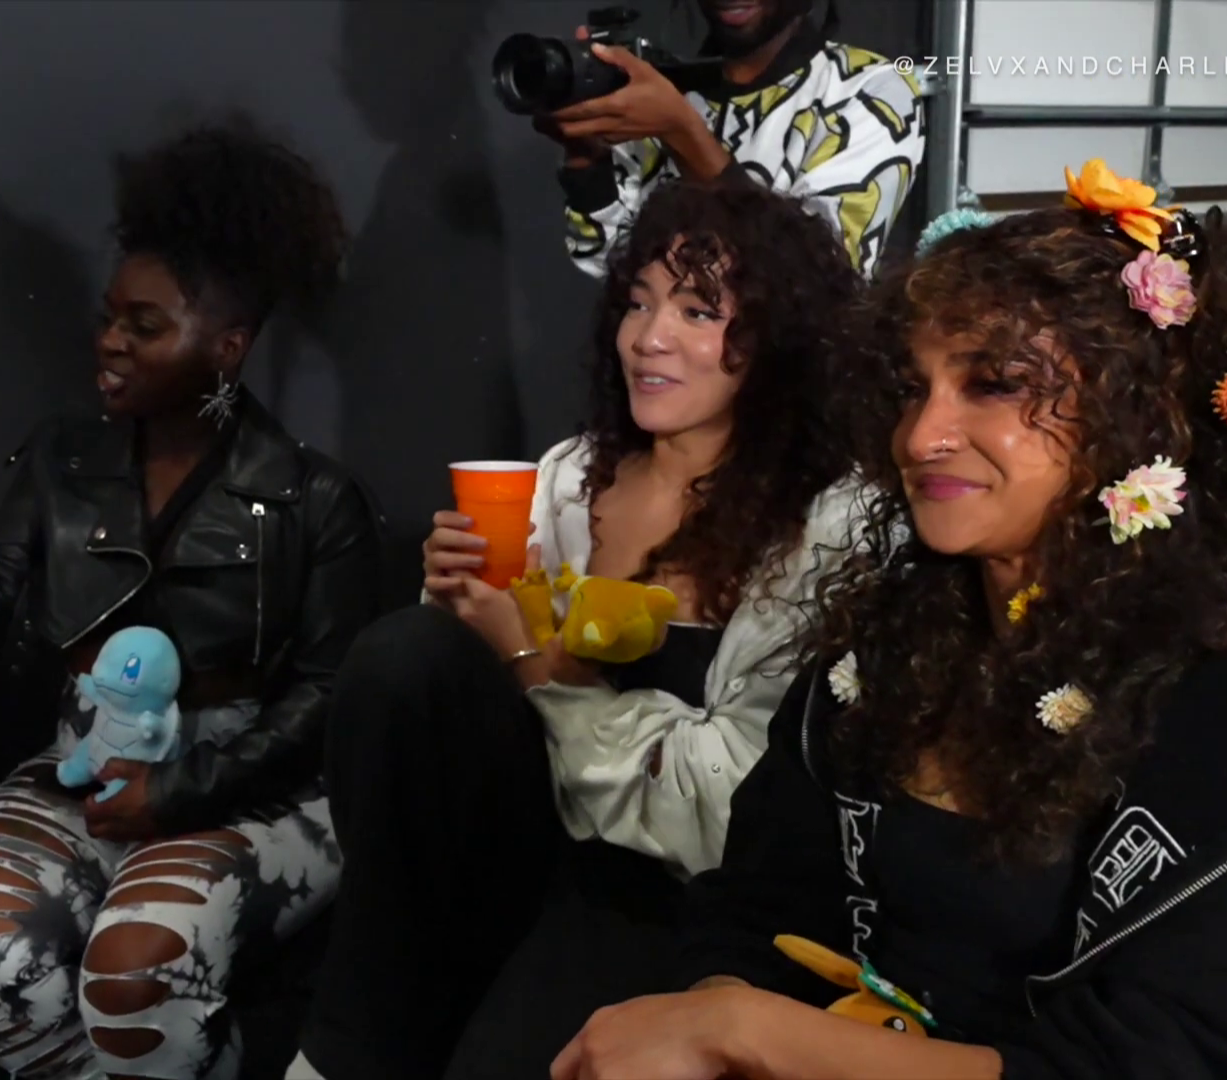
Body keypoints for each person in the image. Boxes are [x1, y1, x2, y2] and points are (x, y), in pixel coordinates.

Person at [554, 162, 1227, 1079]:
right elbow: (758, 902)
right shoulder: (887, 651)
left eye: (995, 383)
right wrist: (718, 1011)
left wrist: (749, 1033)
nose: (922, 437)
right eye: (914, 389)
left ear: (1150, 416)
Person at [0, 117, 382, 1080]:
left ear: (228, 346)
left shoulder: (314, 498)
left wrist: (185, 789)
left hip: (254, 783)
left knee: (136, 972)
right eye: (110, 316)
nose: (110, 342)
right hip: (82, 764)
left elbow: (328, 700)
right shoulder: (63, 459)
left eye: (145, 327)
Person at [293, 177, 870, 1080]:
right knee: (407, 656)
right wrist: (458, 606)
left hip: (669, 892)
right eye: (637, 302)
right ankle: (349, 1051)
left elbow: (729, 816)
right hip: (515, 852)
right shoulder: (569, 477)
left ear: (778, 339)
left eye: (696, 311)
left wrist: (534, 662)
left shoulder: (827, 525)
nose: (649, 337)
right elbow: (442, 734)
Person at [539, 0, 924, 279]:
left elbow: (818, 278)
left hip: (789, 369)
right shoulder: (659, 86)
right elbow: (611, 264)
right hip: (662, 361)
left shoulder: (869, 90)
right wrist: (586, 156)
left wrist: (682, 132)